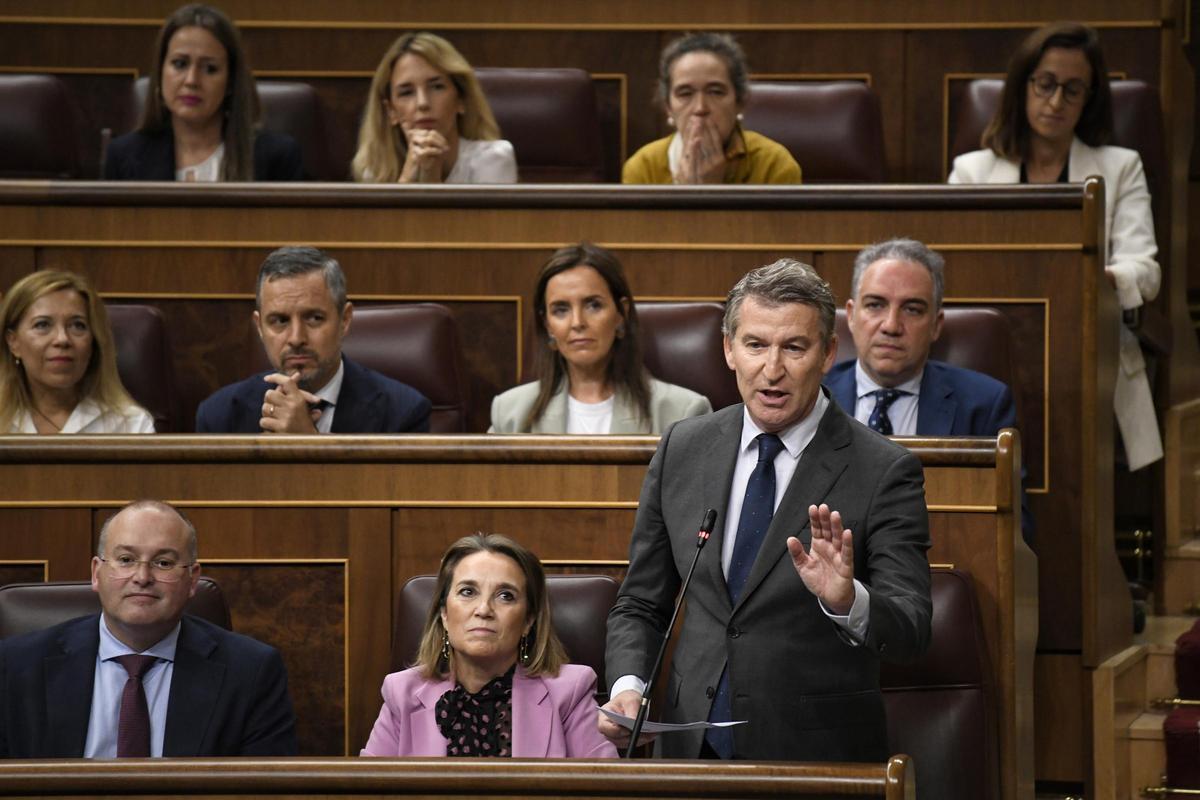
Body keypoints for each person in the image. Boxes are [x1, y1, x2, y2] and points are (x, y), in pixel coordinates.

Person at [600, 259, 931, 761]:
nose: (771, 370)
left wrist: (848, 601)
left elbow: (911, 628)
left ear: (827, 353)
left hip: (813, 758)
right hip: (691, 750)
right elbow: (642, 602)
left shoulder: (884, 469)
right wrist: (629, 684)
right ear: (729, 349)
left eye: (794, 347)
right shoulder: (683, 447)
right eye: (755, 345)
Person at [948, 21, 1162, 470]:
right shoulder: (972, 173)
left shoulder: (1120, 168)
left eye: (1072, 89)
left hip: (1088, 346)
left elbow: (1145, 269)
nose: (1056, 101)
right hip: (996, 345)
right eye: (1045, 84)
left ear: (1089, 99)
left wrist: (1088, 280)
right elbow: (951, 268)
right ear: (1023, 85)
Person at [0, 500, 298, 757]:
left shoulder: (251, 672)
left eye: (163, 563)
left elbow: (265, 791)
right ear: (96, 572)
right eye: (126, 560)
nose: (142, 577)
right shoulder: (16, 667)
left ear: (193, 579)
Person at [823, 238, 1033, 543]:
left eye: (912, 309)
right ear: (852, 316)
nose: (891, 325)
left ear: (936, 325)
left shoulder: (984, 404)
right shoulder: (813, 399)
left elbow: (1014, 529)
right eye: (875, 305)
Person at [361, 534, 617, 758]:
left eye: (505, 595)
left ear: (528, 621)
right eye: (467, 592)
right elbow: (367, 791)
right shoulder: (402, 694)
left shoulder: (570, 694)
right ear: (444, 614)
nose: (483, 610)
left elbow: (607, 792)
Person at [195, 246, 430, 433]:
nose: (296, 338)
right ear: (259, 327)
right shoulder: (219, 415)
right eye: (279, 321)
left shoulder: (402, 412)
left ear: (344, 320)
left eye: (314, 318)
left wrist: (308, 443)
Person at [489, 243, 711, 433]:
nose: (577, 322)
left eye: (593, 305)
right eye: (560, 309)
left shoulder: (682, 412)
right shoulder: (509, 414)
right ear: (548, 325)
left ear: (620, 315)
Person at [104, 3, 304, 182]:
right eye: (180, 64)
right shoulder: (123, 157)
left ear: (231, 82)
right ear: (160, 71)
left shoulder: (277, 158)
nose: (191, 80)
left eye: (210, 69)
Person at [622, 32, 800, 185]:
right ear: (668, 107)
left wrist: (713, 192)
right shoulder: (643, 168)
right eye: (685, 94)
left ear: (739, 102)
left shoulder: (774, 164)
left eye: (715, 92)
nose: (700, 108)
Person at [352, 32, 516, 184]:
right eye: (407, 92)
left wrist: (431, 178)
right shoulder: (378, 169)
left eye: (437, 87)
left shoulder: (493, 159)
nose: (423, 103)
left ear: (461, 99)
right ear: (391, 111)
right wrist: (407, 178)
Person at [1, 270, 153, 434]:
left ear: (93, 342)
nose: (62, 339)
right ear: (13, 342)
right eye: (42, 325)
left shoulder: (130, 425)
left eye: (77, 325)